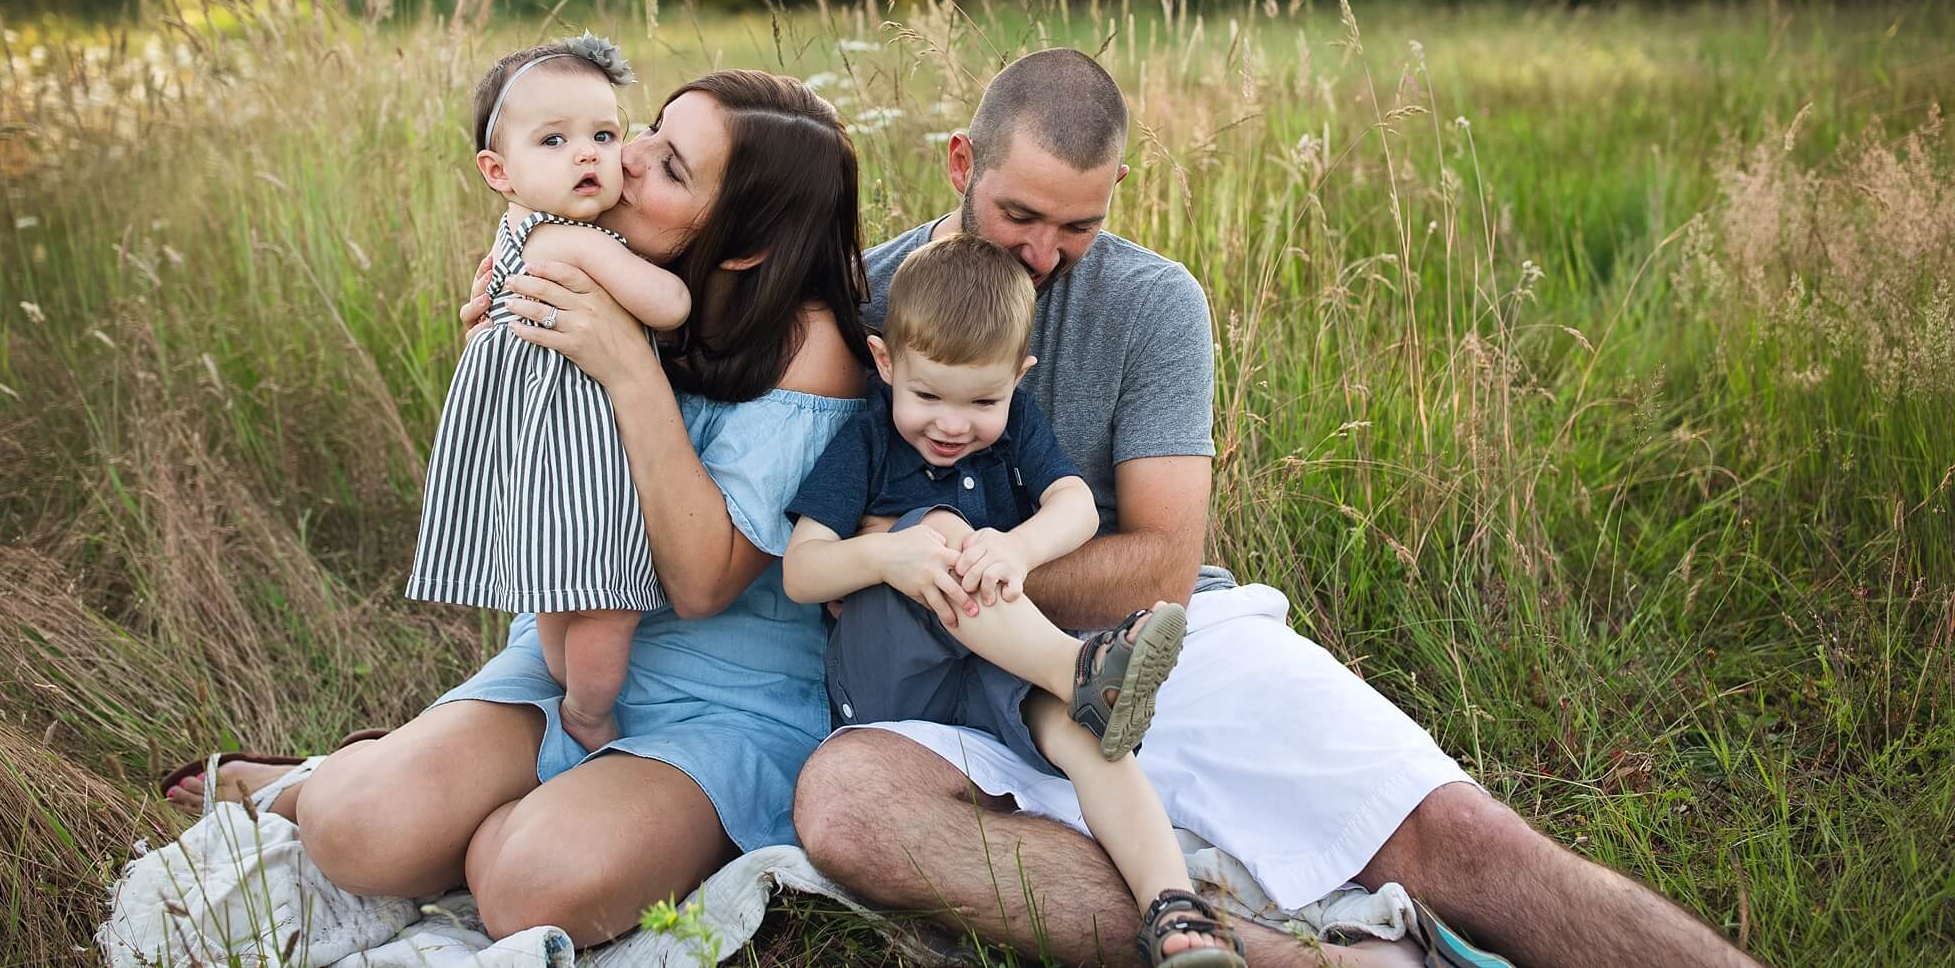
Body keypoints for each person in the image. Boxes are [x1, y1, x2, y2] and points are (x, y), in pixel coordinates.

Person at [792, 48, 1764, 968]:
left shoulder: (1151, 301)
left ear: (1114, 192)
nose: (1046, 254)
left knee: (1457, 833)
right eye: (1019, 214)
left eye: (1077, 225)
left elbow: (1161, 560)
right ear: (962, 162)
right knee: (843, 808)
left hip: (1149, 643)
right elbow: (818, 549)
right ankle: (1279, 952)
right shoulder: (863, 302)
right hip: (933, 679)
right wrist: (898, 566)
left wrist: (966, 562)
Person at [166, 68, 872, 949]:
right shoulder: (596, 262)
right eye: (649, 127)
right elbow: (529, 453)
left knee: (528, 886)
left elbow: (701, 584)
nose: (628, 154)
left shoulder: (814, 349)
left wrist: (627, 369)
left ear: (740, 247)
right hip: (572, 648)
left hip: (726, 704)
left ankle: (500, 820)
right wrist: (504, 348)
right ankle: (342, 777)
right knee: (354, 832)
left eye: (672, 167)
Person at [781, 233, 1243, 968]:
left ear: (1018, 379)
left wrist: (1020, 547)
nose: (953, 424)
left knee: (1089, 735)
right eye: (927, 394)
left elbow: (1077, 508)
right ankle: (1080, 666)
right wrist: (887, 553)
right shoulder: (869, 441)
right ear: (885, 363)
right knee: (940, 530)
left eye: (984, 400)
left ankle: (1175, 914)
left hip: (990, 664)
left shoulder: (1016, 426)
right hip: (888, 679)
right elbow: (801, 571)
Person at [406, 34, 690, 754]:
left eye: (603, 133)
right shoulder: (566, 239)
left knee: (564, 595)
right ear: (499, 170)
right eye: (555, 140)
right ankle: (590, 713)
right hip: (575, 453)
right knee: (607, 599)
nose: (588, 154)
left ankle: (566, 694)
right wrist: (674, 279)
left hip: (536, 449)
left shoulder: (513, 233)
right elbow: (668, 305)